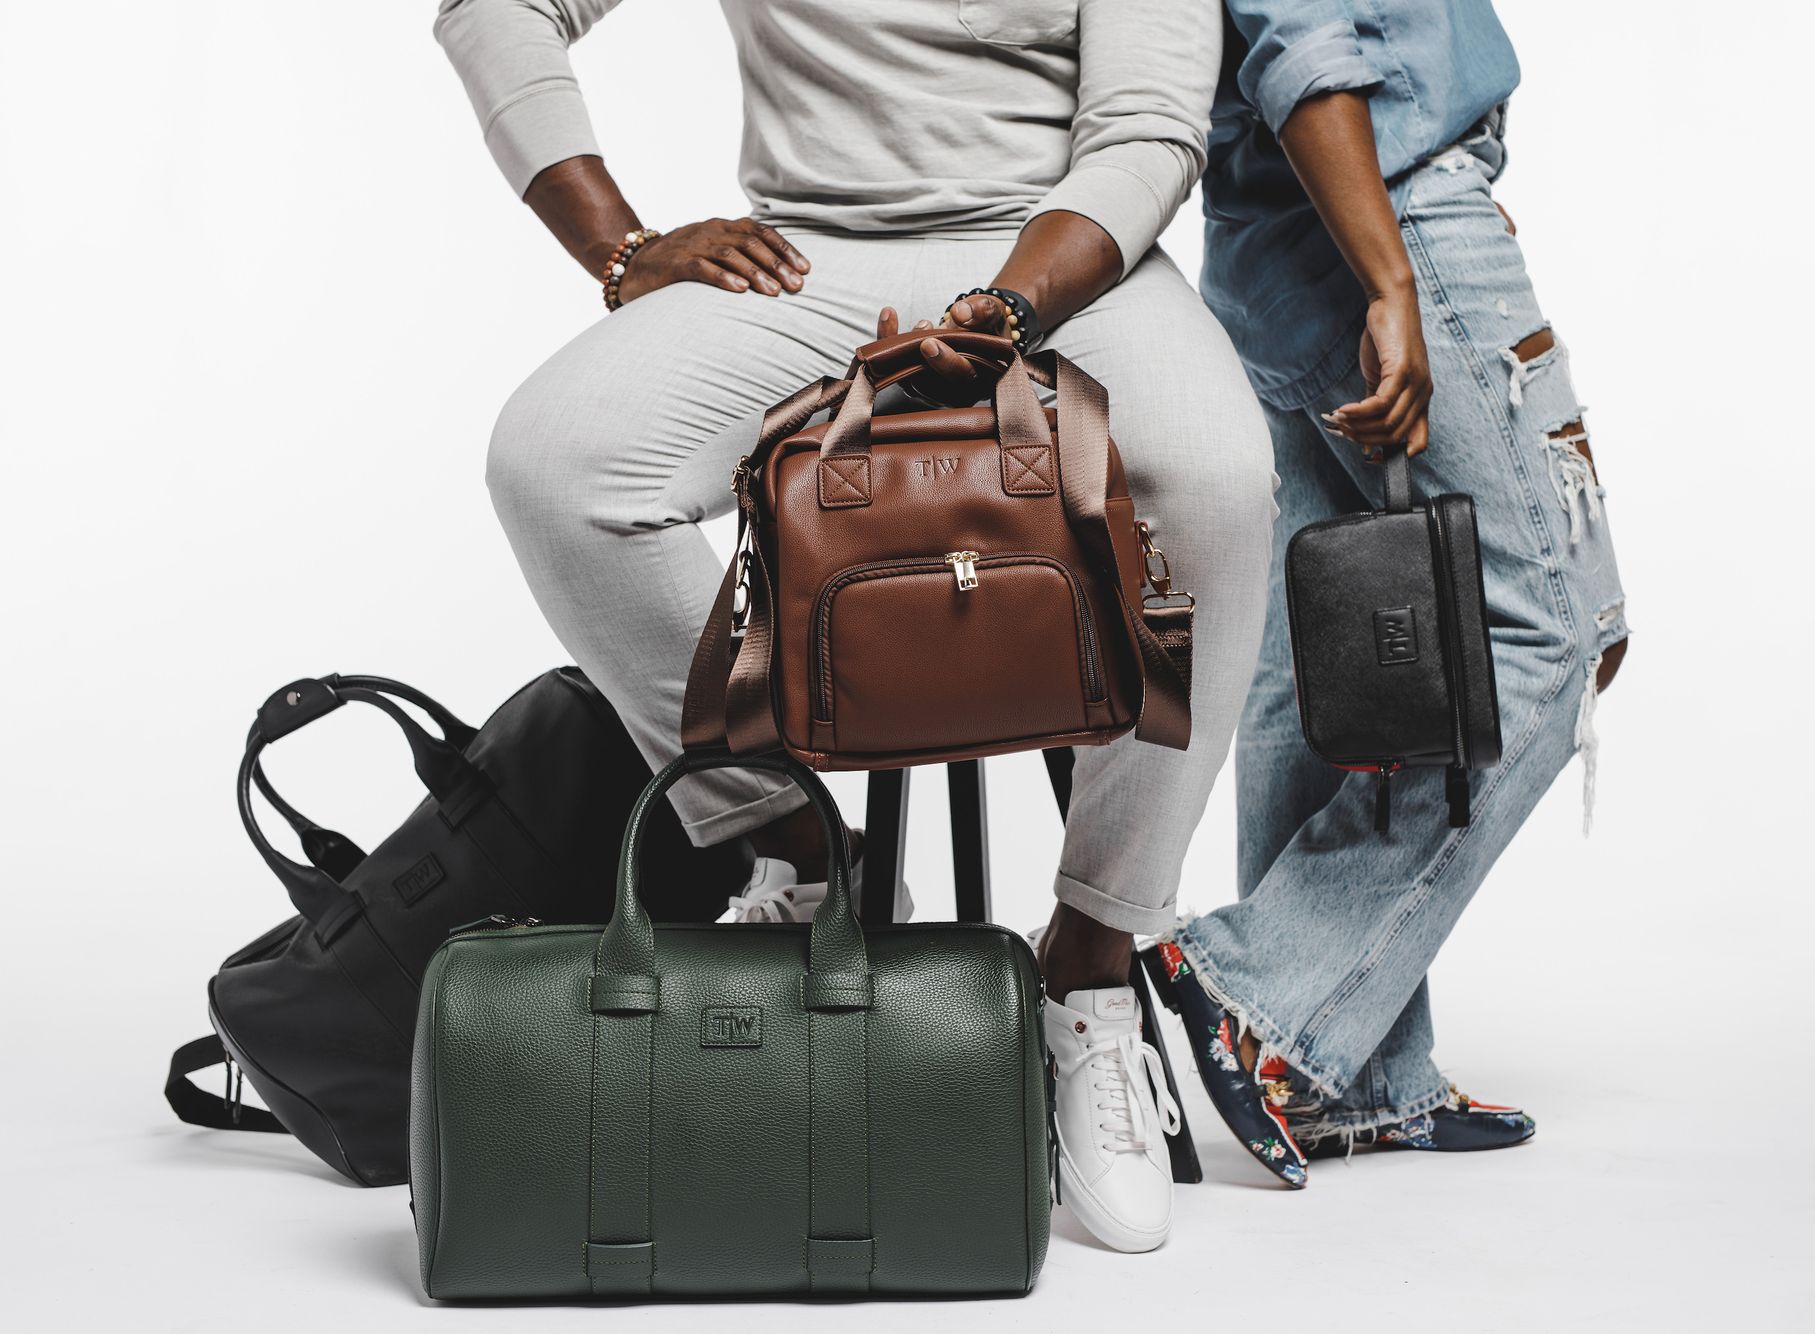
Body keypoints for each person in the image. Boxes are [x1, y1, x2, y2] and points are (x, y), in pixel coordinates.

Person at [434, 0, 1275, 1251]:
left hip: (1063, 252)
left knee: (1215, 482)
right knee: (559, 464)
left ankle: (1090, 958)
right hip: (811, 259)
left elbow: (1144, 131)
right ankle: (812, 857)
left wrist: (1007, 306)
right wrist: (618, 248)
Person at [1148, 0, 1630, 1187]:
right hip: (1383, 211)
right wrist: (1390, 277)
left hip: (1273, 240)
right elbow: (1305, 35)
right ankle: (1256, 981)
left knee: (1331, 656)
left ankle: (1347, 1078)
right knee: (1553, 627)